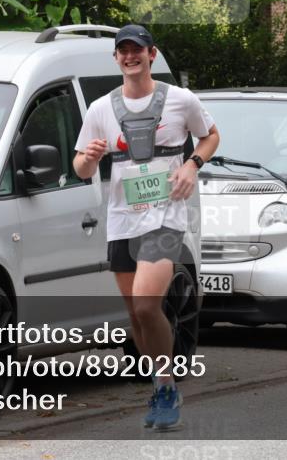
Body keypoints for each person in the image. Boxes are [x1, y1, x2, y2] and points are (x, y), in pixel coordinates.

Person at [73, 24, 219, 431]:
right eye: (123, 51)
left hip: (165, 216)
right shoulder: (102, 109)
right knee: (134, 316)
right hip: (122, 220)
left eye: (137, 49)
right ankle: (161, 381)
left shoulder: (179, 100)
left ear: (151, 54)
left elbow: (210, 137)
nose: (130, 56)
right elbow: (80, 166)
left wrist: (192, 164)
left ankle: (168, 384)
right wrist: (90, 157)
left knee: (145, 304)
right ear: (116, 58)